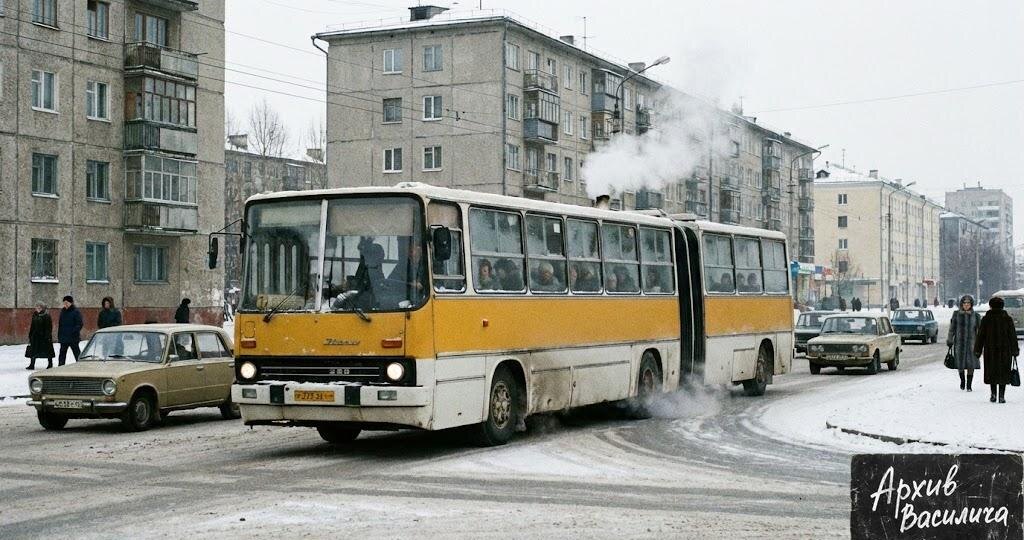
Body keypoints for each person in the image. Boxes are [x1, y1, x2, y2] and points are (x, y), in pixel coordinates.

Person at [974, 296, 1020, 404]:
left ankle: (993, 394)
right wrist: (1014, 350)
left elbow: (981, 336)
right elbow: (1012, 335)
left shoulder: (986, 319)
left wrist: (978, 350)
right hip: (1005, 350)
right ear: (1002, 306)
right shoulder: (1007, 318)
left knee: (992, 372)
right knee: (1003, 372)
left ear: (990, 306)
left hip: (990, 350)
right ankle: (1002, 396)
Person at [947, 294, 982, 391]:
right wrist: (950, 339)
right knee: (960, 364)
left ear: (971, 304)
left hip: (972, 344)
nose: (966, 305)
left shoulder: (976, 316)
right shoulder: (956, 314)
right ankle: (962, 380)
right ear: (961, 304)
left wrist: (981, 343)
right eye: (964, 303)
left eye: (968, 303)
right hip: (959, 343)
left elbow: (980, 331)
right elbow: (952, 329)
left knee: (971, 364)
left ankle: (969, 385)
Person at [26, 304, 54, 370]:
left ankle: (50, 364)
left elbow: (49, 327)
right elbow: (32, 326)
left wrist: (47, 336)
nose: (38, 308)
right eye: (37, 307)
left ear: (43, 308)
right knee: (33, 351)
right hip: (35, 336)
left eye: (40, 307)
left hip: (44, 336)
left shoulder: (46, 315)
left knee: (47, 350)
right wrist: (30, 334)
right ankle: (32, 364)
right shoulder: (35, 315)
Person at [57, 295, 83, 366]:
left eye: (66, 303)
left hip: (73, 337)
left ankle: (81, 366)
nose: (65, 304)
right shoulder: (63, 311)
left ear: (71, 303)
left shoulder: (76, 312)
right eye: (64, 303)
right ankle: (61, 366)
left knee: (76, 353)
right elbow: (60, 324)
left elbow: (79, 324)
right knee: (62, 353)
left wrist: (73, 331)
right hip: (64, 337)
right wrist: (60, 335)